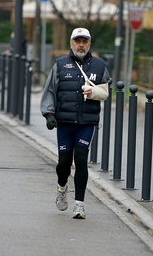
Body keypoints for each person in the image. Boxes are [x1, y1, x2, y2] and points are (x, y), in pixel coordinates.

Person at [40, 28, 110, 219]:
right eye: (77, 41)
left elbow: (105, 91)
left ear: (89, 44)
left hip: (87, 122)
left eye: (85, 41)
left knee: (81, 159)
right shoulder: (60, 64)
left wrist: (93, 93)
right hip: (65, 121)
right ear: (71, 43)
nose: (81, 45)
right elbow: (49, 91)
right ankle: (62, 188)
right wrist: (48, 114)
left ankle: (79, 205)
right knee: (64, 163)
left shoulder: (99, 65)